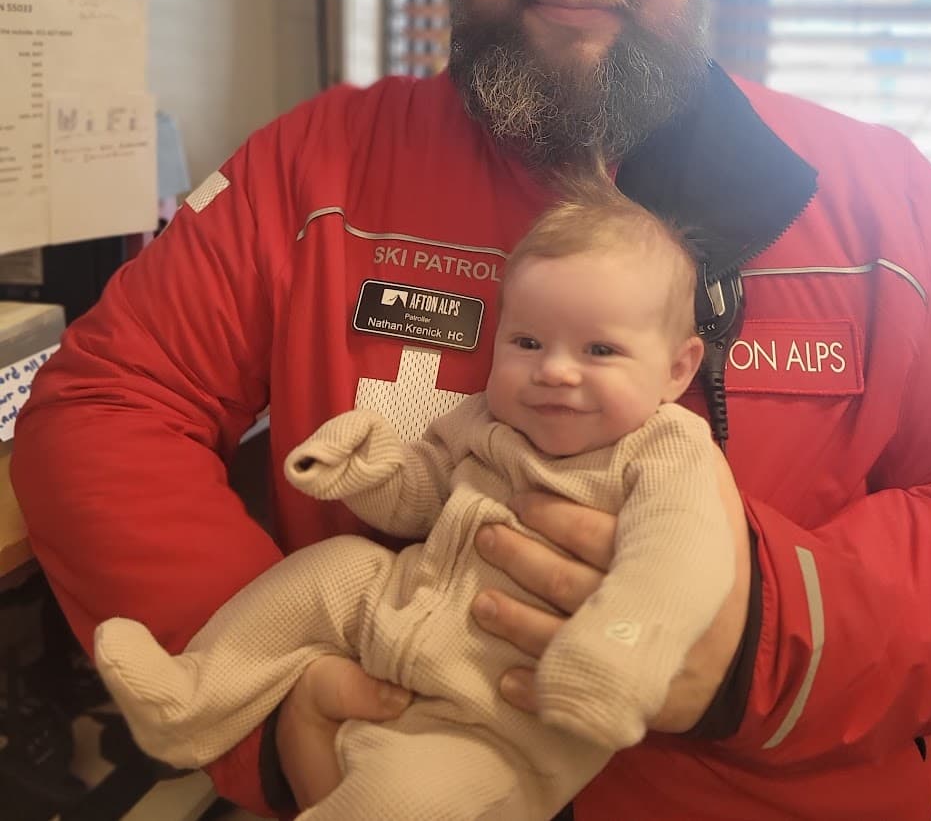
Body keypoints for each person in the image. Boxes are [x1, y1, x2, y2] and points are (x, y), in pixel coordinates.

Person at [11, 0, 931, 821]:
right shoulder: (315, 168)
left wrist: (759, 637)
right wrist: (272, 710)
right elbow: (103, 406)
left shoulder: (877, 201)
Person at [91, 187, 735, 821]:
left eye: (600, 350)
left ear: (678, 370)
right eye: (527, 343)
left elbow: (678, 560)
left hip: (497, 724)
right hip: (403, 611)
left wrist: (618, 649)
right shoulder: (491, 417)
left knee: (402, 796)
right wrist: (369, 466)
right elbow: (425, 493)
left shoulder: (666, 448)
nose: (554, 372)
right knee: (337, 566)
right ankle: (187, 703)